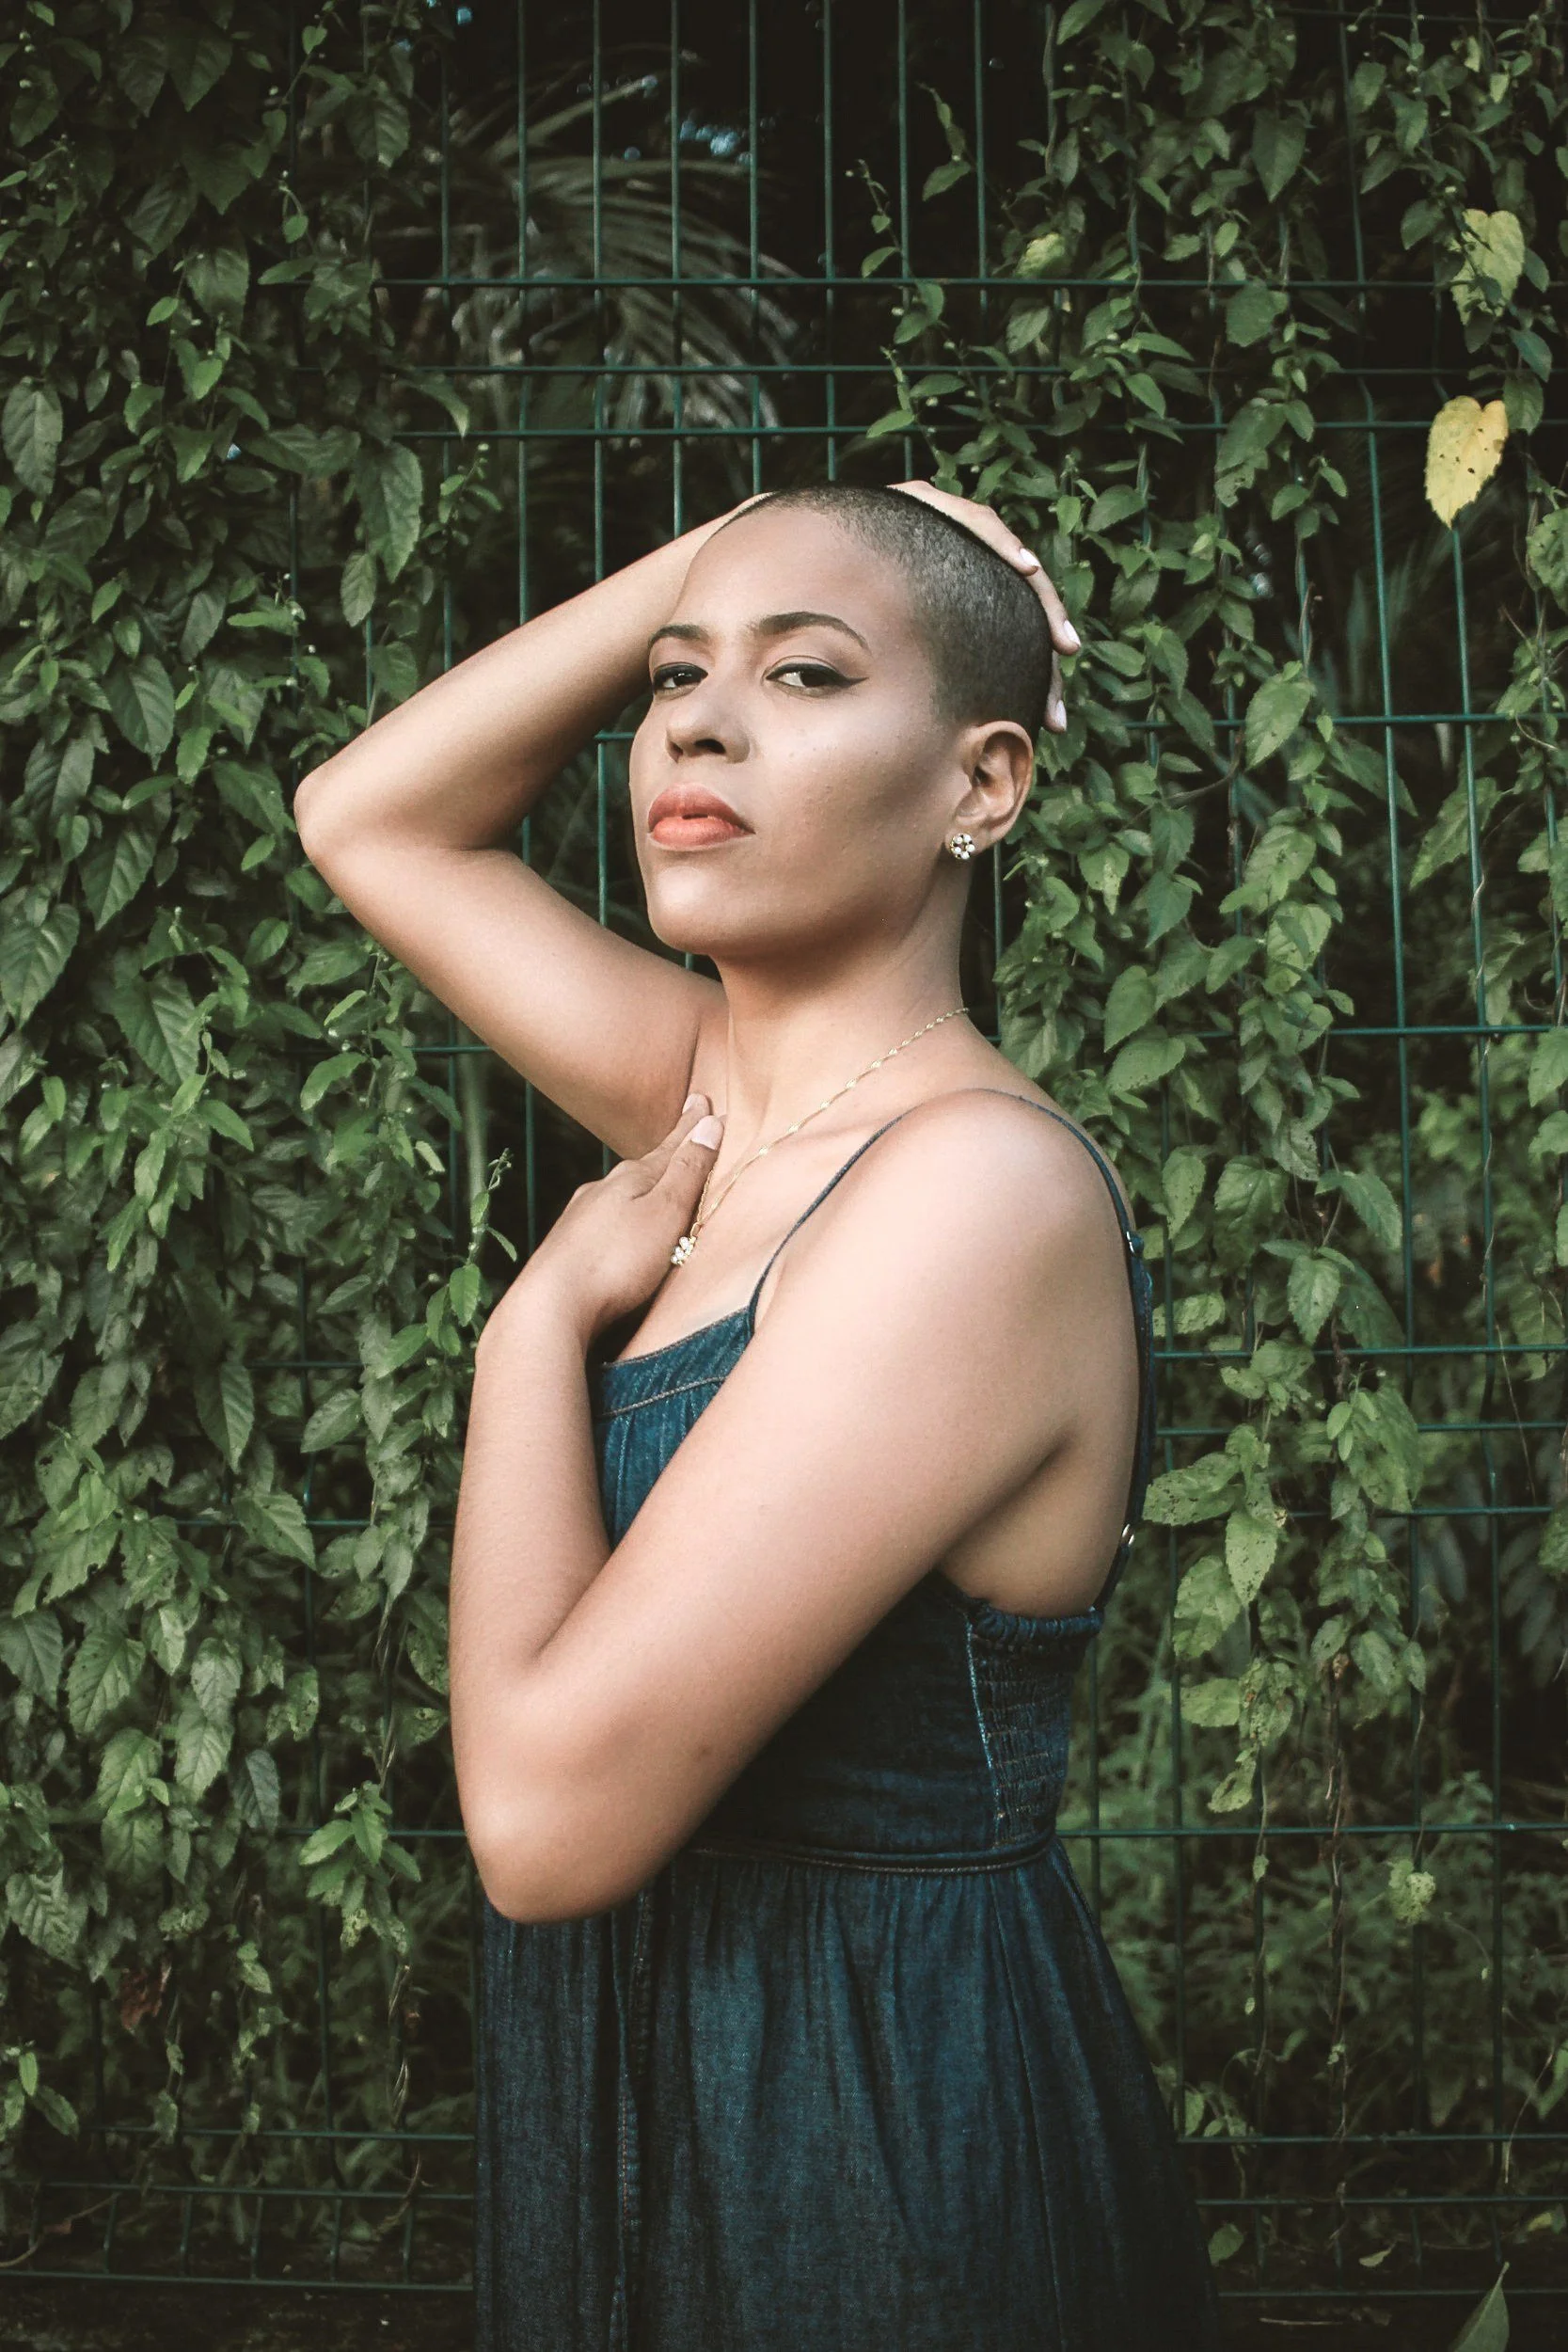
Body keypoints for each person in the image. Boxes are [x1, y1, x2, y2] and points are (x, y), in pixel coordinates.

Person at [293, 480, 1223, 2350]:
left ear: (983, 784)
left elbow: (543, 1821)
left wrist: (526, 1338)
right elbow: (362, 814)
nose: (698, 724)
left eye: (802, 675)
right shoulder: (716, 1113)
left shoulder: (975, 1194)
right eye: (670, 682)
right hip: (641, 2096)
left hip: (873, 2138)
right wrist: (723, 548)